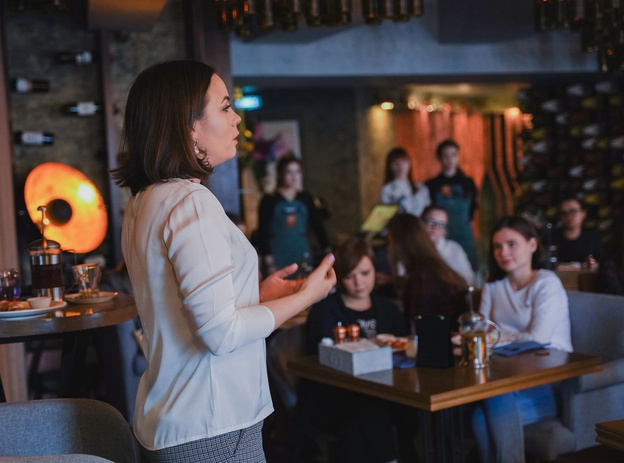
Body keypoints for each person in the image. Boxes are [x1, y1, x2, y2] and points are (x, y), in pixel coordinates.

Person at [110, 60, 336, 463]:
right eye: (225, 107)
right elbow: (221, 335)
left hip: (173, 418)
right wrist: (308, 296)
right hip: (213, 425)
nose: (237, 121)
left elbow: (183, 310)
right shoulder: (191, 203)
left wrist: (258, 293)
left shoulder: (145, 201)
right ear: (190, 127)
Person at [472, 215, 572, 463]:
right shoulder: (494, 285)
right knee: (480, 412)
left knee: (491, 399)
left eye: (511, 244)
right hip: (507, 374)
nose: (503, 252)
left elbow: (537, 339)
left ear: (532, 245)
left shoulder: (546, 283)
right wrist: (502, 338)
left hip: (548, 377)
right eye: (497, 246)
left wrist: (499, 337)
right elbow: (481, 332)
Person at [302, 237, 407, 463]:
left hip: (386, 391)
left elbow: (404, 351)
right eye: (350, 276)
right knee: (364, 411)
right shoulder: (326, 311)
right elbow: (317, 360)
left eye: (365, 273)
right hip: (335, 394)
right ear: (340, 278)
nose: (359, 282)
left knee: (383, 411)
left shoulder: (388, 310)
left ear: (375, 271)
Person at [386, 213, 468, 330]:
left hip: (440, 344)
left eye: (389, 241)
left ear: (399, 244)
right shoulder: (434, 268)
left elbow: (417, 331)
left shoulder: (421, 280)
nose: (388, 248)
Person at [256, 153, 331, 276]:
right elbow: (263, 231)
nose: (294, 176)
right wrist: (268, 258)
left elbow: (317, 224)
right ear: (280, 173)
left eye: (297, 172)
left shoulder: (305, 198)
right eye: (289, 172)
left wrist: (327, 246)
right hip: (277, 253)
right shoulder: (269, 200)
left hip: (301, 249)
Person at [426, 139, 479, 270]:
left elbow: (473, 209)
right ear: (439, 158)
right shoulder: (432, 185)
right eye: (446, 156)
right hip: (442, 237)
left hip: (465, 235)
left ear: (458, 156)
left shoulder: (468, 183)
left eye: (453, 155)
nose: (450, 160)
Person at [422, 205, 475, 285]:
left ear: (445, 230)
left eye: (441, 224)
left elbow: (468, 279)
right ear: (421, 222)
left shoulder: (454, 249)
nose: (435, 228)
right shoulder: (411, 248)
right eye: (431, 222)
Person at [550, 197, 605, 264]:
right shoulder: (551, 237)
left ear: (583, 213)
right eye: (564, 213)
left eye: (573, 212)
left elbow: (600, 262)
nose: (568, 216)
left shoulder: (593, 236)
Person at [380, 147, 431, 217]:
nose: (401, 166)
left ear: (409, 163)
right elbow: (386, 215)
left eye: (403, 162)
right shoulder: (387, 189)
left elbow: (427, 211)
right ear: (390, 166)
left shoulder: (421, 188)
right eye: (396, 163)